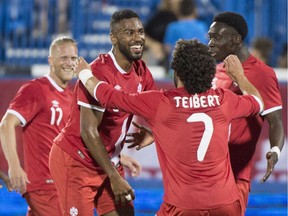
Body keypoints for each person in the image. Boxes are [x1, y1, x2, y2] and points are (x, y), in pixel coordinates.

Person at [75, 39, 263, 216]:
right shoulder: (224, 99)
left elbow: (108, 96)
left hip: (182, 205)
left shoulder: (160, 103)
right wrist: (239, 76)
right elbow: (258, 102)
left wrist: (84, 73)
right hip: (226, 203)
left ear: (177, 72)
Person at [0, 35, 140, 215]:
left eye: (73, 58)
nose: (69, 63)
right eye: (63, 58)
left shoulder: (71, 96)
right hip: (46, 184)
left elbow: (79, 138)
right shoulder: (36, 89)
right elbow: (6, 125)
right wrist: (14, 166)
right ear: (51, 60)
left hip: (64, 180)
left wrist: (118, 158)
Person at [49, 9, 157, 216]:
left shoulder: (141, 70)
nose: (138, 38)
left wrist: (153, 131)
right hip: (76, 161)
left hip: (108, 161)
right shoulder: (98, 72)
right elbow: (88, 131)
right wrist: (114, 177)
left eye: (140, 32)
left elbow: (158, 110)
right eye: (129, 33)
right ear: (113, 38)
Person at [208, 12, 285, 215]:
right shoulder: (213, 72)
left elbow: (276, 122)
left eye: (216, 37)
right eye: (209, 37)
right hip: (204, 175)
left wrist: (275, 151)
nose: (210, 43)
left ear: (236, 39)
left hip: (235, 176)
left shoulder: (263, 74)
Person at [163, 0, 208, 70]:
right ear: (194, 11)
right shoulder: (202, 26)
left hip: (177, 70)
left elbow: (167, 48)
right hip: (199, 71)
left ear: (178, 11)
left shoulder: (173, 27)